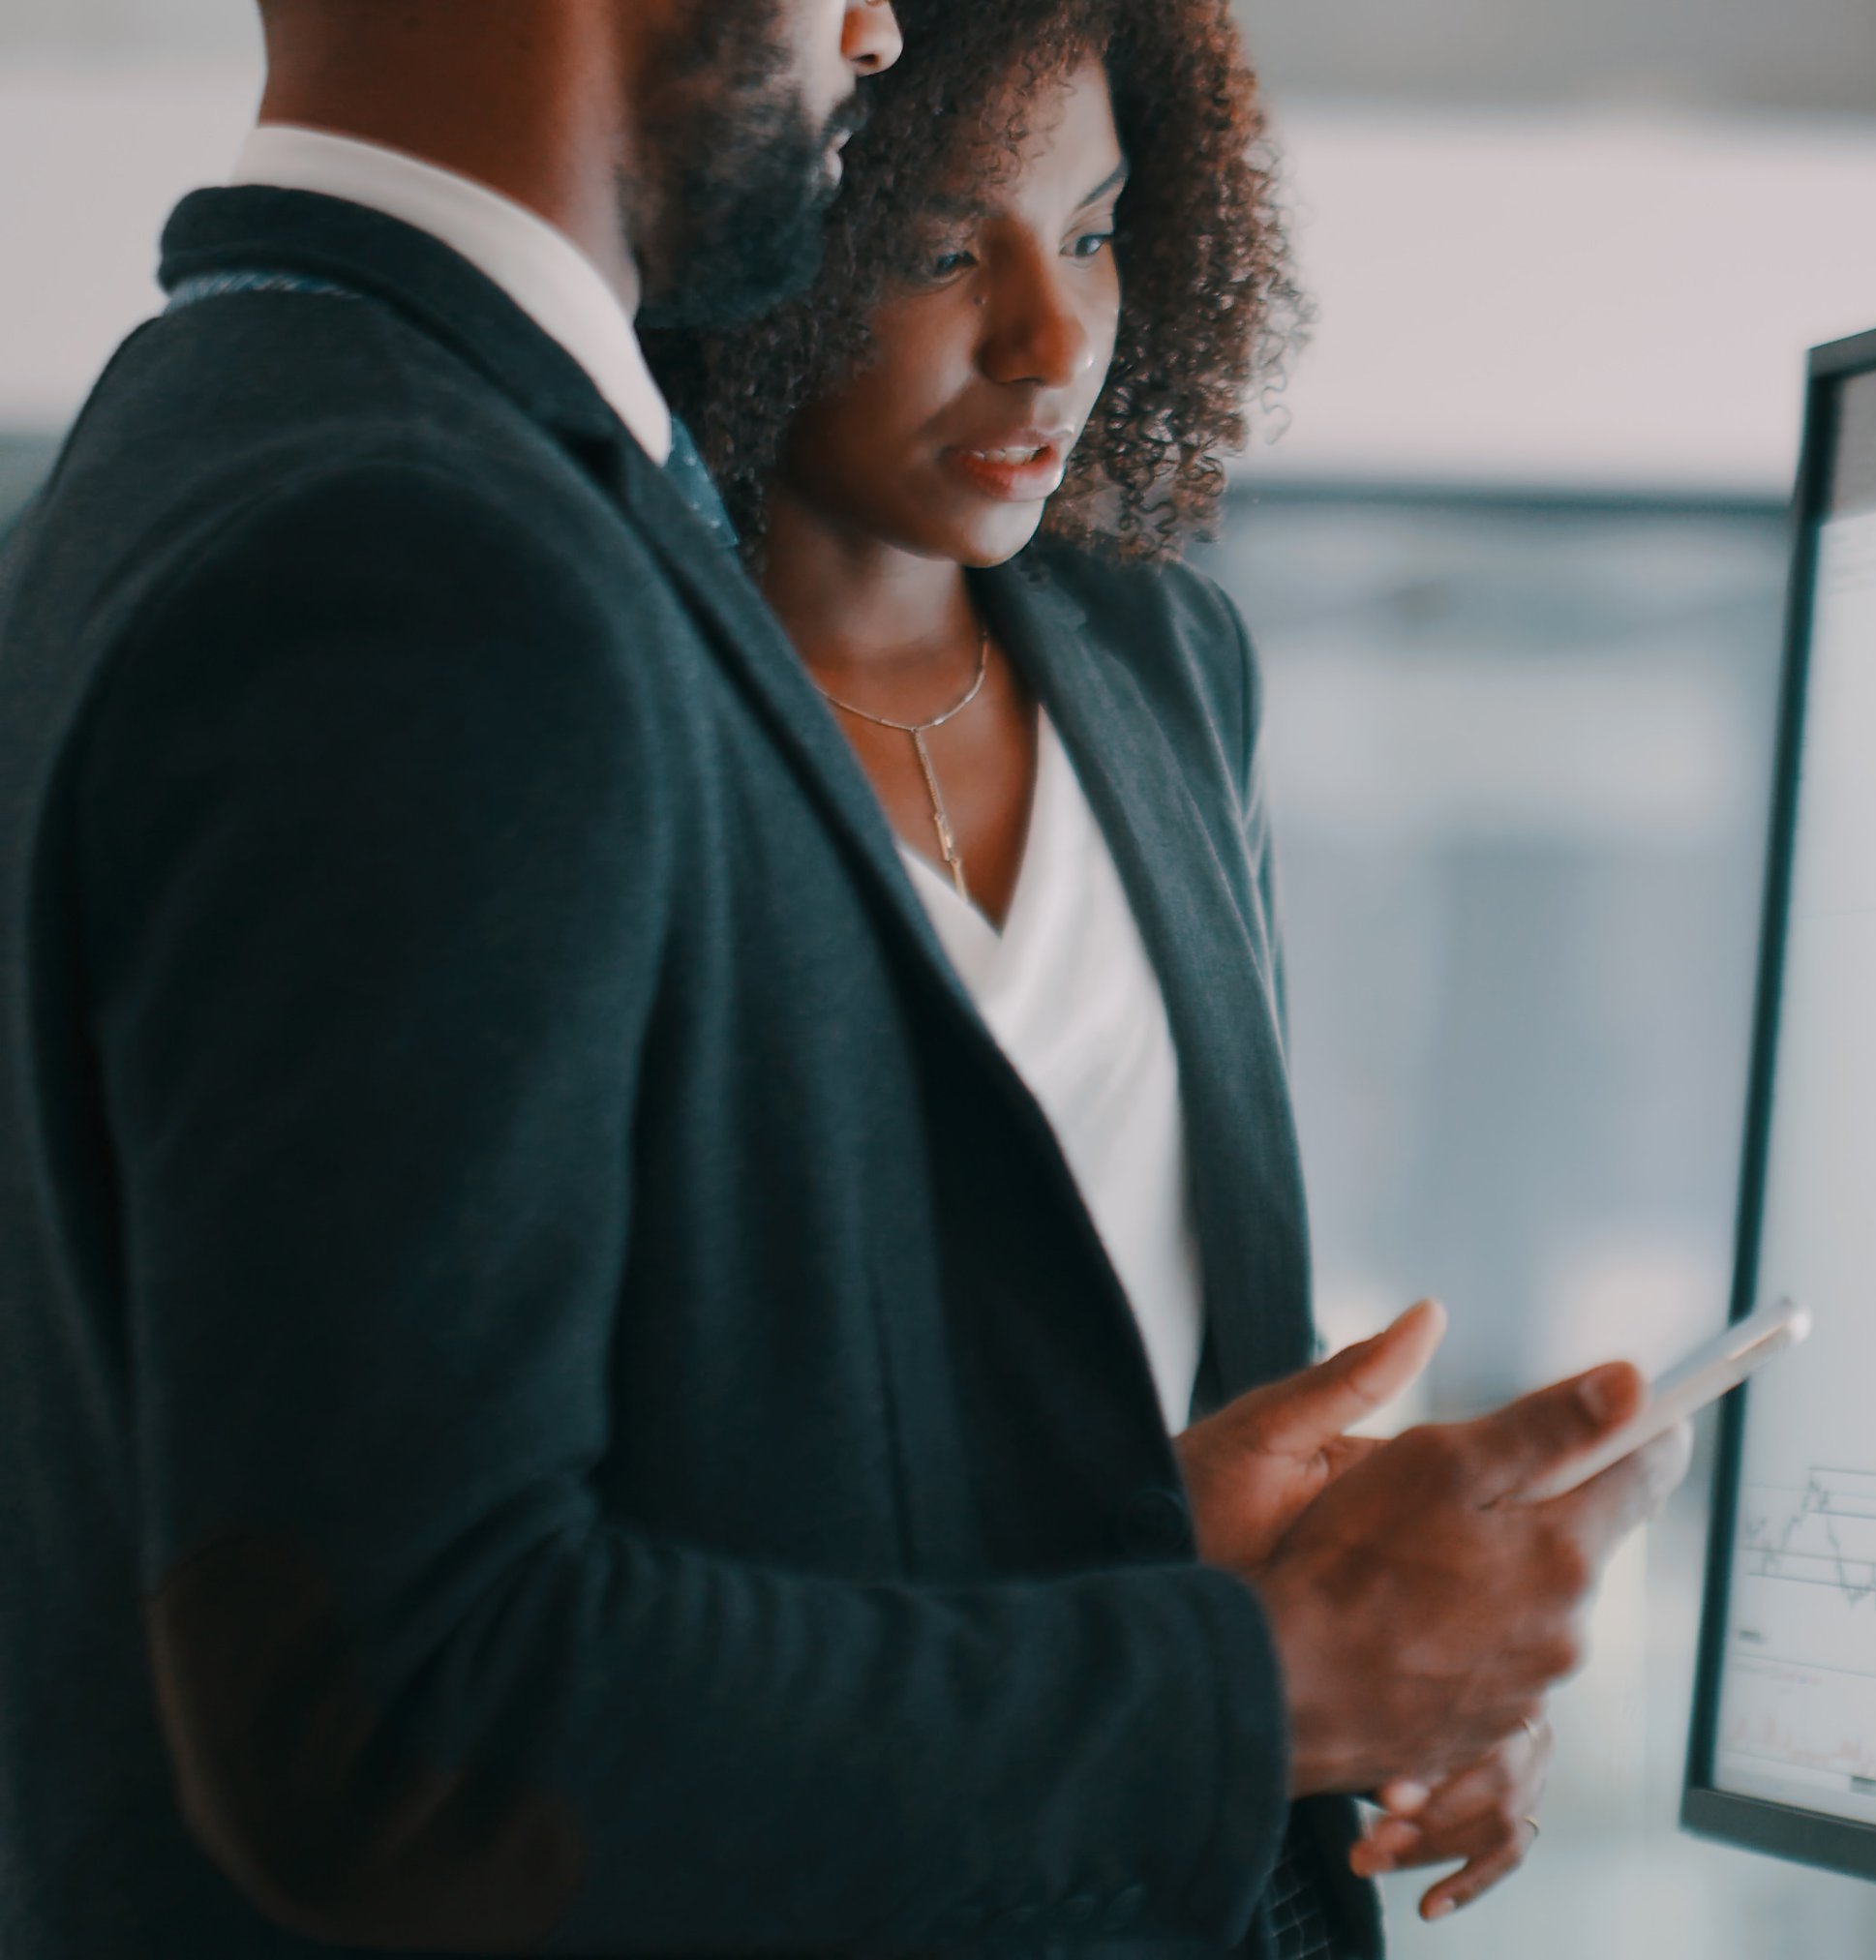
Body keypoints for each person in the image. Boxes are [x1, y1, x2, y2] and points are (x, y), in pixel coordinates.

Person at [0, 0, 1677, 1951]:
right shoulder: (429, 556)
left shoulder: (203, 441)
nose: (872, 22)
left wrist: (1146, 1566)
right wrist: (1277, 1676)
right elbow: (411, 1712)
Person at [640, 0, 1595, 1932]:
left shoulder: (1166, 665)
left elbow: (1219, 1342)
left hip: (1194, 1867)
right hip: (830, 1855)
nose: (1054, 336)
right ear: (758, 261)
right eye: (941, 252)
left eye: (1090, 231)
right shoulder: (626, 708)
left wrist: (1408, 1662)